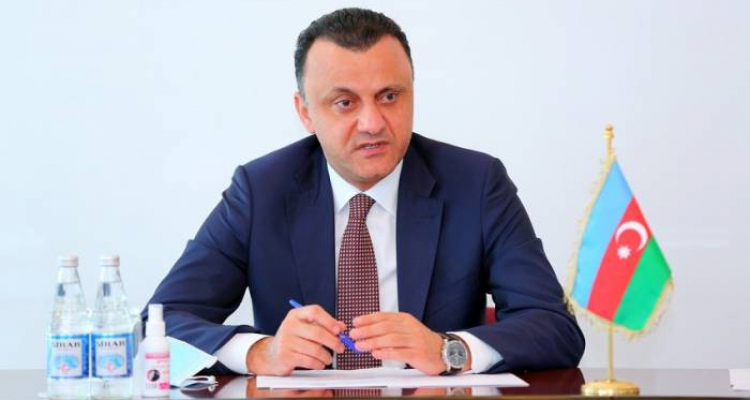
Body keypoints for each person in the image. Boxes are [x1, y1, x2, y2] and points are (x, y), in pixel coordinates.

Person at [145, 7, 585, 376]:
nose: (373, 123)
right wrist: (262, 353)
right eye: (345, 103)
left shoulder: (476, 183)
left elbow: (554, 326)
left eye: (390, 96)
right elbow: (159, 324)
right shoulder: (261, 190)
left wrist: (449, 350)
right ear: (305, 112)